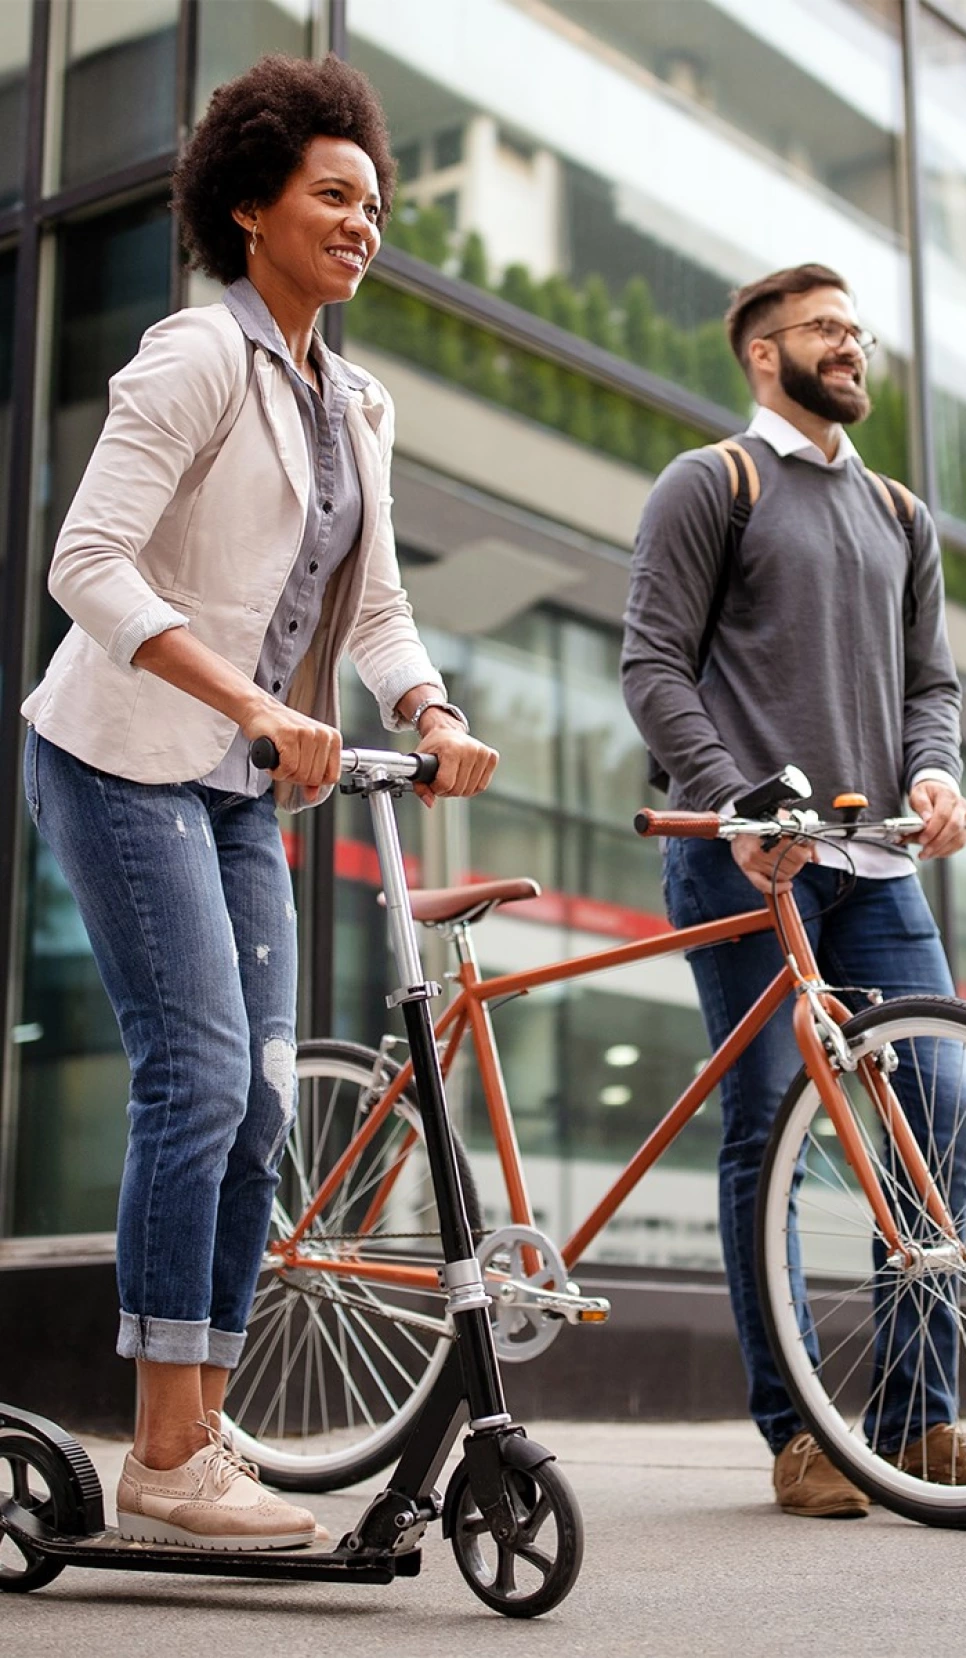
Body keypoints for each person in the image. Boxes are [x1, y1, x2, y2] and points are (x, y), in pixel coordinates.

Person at [21, 54, 497, 1552]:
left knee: (268, 1102)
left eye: (376, 202)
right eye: (335, 195)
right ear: (252, 204)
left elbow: (377, 606)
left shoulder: (356, 400)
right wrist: (250, 700)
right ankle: (163, 1449)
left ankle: (197, 1431)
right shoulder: (192, 356)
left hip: (237, 784)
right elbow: (86, 564)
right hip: (120, 754)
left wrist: (426, 705)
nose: (364, 223)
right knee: (202, 1077)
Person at [621, 262, 966, 1519]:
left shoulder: (899, 513)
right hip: (744, 858)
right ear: (763, 352)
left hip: (878, 863)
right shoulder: (710, 483)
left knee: (942, 1108)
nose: (853, 348)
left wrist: (933, 774)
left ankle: (913, 1413)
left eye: (858, 329)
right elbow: (653, 665)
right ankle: (799, 1431)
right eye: (827, 329)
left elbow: (929, 686)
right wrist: (739, 800)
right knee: (768, 1127)